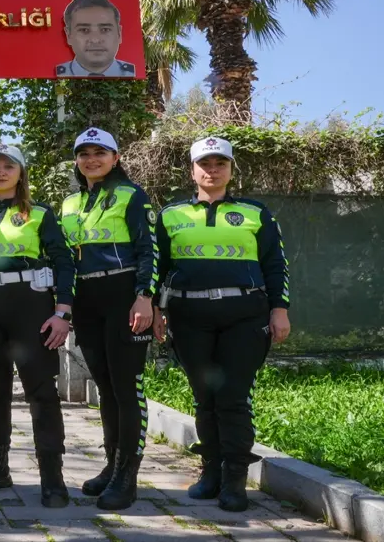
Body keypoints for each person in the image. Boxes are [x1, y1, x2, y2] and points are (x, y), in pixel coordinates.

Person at [153, 136, 291, 512]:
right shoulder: (170, 215)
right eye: (205, 164)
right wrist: (155, 310)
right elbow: (158, 268)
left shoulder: (256, 212)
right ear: (192, 170)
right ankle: (210, 472)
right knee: (204, 398)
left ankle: (234, 481)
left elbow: (275, 265)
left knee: (232, 398)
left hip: (244, 317)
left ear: (231, 169)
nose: (212, 170)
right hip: (189, 318)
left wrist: (280, 309)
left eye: (220, 164)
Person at [0, 143, 76, 507]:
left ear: (21, 171)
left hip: (30, 308)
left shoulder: (39, 214)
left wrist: (62, 313)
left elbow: (64, 262)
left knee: (41, 393)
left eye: (7, 165)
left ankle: (52, 476)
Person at [60, 127, 158, 511]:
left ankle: (127, 477)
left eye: (100, 152)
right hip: (87, 300)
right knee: (104, 385)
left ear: (116, 158)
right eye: (84, 153)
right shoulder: (69, 204)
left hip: (124, 298)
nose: (91, 159)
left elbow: (149, 249)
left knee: (126, 386)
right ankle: (111, 465)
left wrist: (145, 297)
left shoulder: (132, 195)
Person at [55, 0, 136, 78]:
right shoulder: (59, 73)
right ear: (69, 35)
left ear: (119, 33)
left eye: (105, 30)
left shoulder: (132, 73)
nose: (95, 40)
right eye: (84, 30)